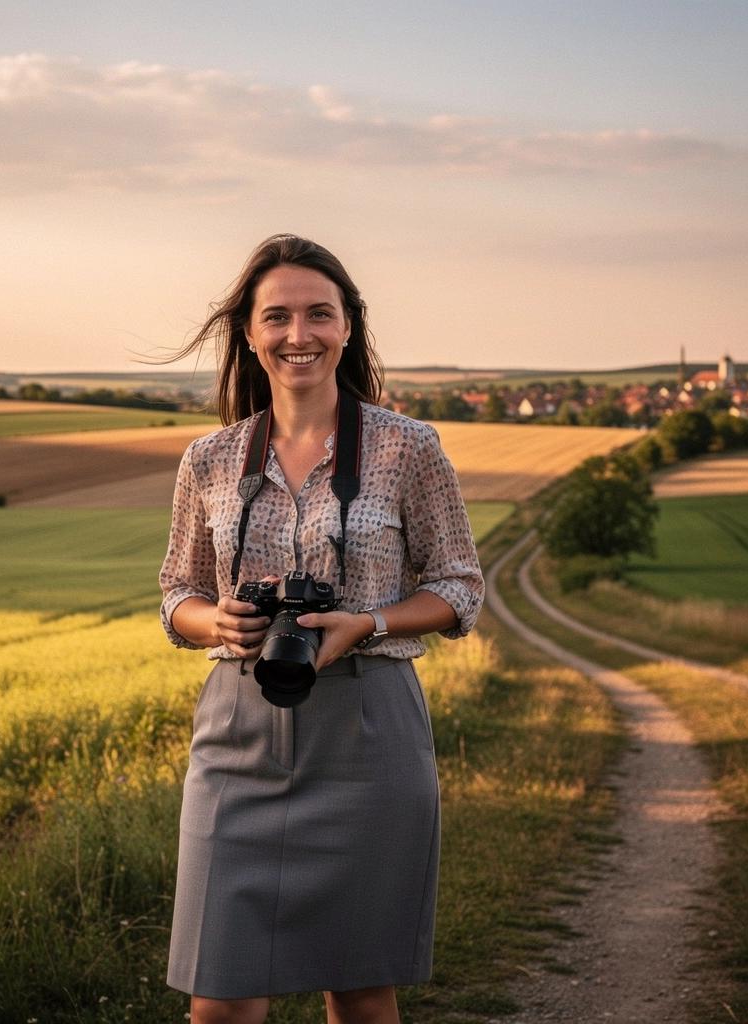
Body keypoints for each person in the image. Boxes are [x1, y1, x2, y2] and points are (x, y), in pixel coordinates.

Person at [159, 234, 484, 1024]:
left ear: (347, 326)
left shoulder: (409, 447)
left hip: (370, 730)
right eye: (277, 316)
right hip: (239, 731)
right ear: (249, 332)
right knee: (220, 1001)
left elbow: (459, 586)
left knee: (361, 992)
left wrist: (366, 621)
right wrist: (220, 623)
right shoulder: (209, 459)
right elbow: (177, 592)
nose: (297, 334)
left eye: (318, 314)